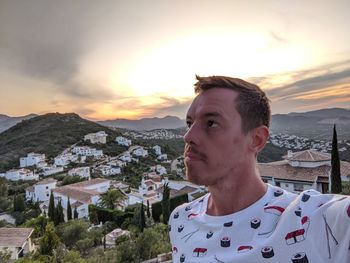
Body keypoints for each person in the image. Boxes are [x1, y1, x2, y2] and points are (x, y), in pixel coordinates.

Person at [169, 75, 350, 263]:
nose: (188, 136)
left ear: (256, 139)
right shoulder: (180, 220)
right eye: (189, 123)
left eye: (211, 123)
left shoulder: (315, 219)